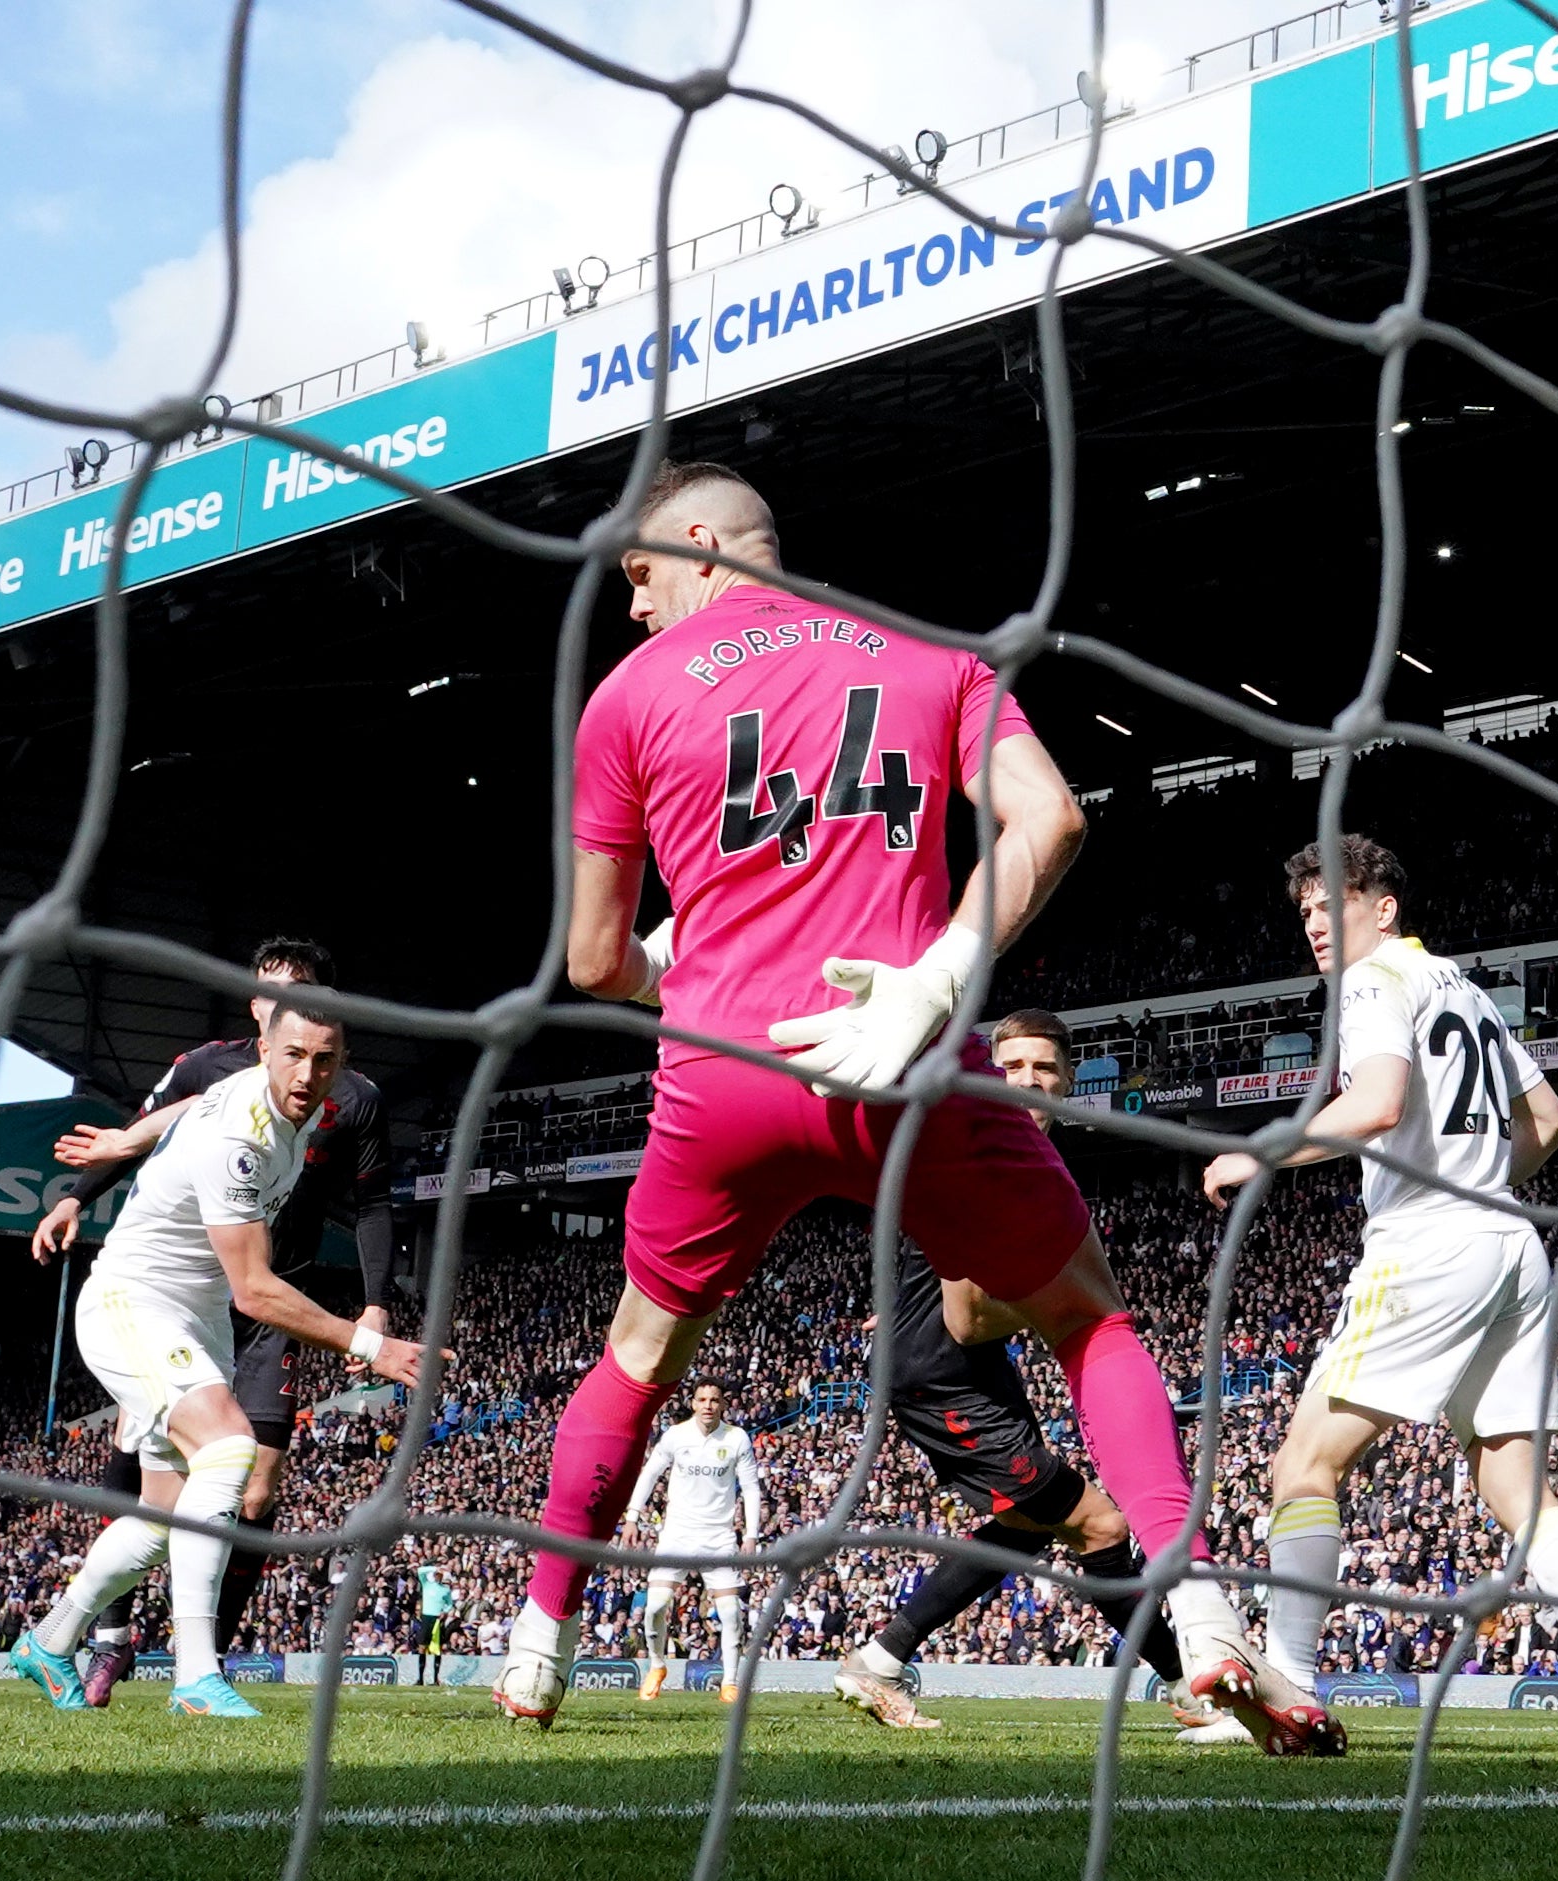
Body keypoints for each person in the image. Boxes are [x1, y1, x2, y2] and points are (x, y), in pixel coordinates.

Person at [495, 459, 1314, 1752]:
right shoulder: (928, 655)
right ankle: (1201, 1609)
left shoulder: (624, 699)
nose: (634, 608)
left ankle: (540, 1643)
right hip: (909, 1049)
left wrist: (678, 966)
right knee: (1085, 1318)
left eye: (639, 576)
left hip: (721, 1076)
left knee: (640, 1357)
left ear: (702, 548)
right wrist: (931, 980)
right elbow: (1048, 820)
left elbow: (594, 961)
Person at [1201, 835, 1558, 1753]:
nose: (1318, 925)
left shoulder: (1373, 983)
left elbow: (1375, 1105)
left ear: (1384, 907)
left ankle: (1290, 1690)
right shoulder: (1466, 989)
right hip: (1512, 1247)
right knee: (1518, 1488)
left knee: (1303, 1466)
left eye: (1333, 904)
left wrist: (1259, 1154)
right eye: (1307, 913)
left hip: (1429, 1249)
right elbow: (1552, 1120)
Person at [8, 1000, 436, 1719]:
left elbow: (184, 1110)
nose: (307, 1073)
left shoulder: (272, 1107)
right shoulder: (244, 1135)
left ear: (343, 1065)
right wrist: (372, 1343)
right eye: (293, 1055)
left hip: (196, 1317)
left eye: (324, 1060)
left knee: (163, 1519)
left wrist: (124, 1141)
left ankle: (49, 1643)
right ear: (264, 1049)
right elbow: (258, 1291)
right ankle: (196, 1679)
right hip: (134, 1303)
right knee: (232, 1446)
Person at [829, 1007, 1230, 1741]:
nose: (1030, 1081)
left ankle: (883, 1658)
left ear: (1070, 1081)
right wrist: (1072, 1310)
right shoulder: (978, 1154)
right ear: (988, 1075)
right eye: (1012, 1066)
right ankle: (880, 1658)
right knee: (1091, 1521)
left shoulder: (1018, 1157)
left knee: (1071, 1527)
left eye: (1045, 1068)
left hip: (966, 1368)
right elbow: (969, 1318)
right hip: (940, 1372)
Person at [623, 1378, 761, 1703]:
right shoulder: (676, 1436)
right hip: (677, 1534)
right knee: (655, 1606)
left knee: (730, 1613)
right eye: (702, 1399)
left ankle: (730, 1682)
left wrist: (751, 1534)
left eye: (714, 1399)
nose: (708, 1405)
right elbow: (650, 1473)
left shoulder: (737, 1438)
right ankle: (656, 1666)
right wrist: (632, 1517)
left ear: (723, 1404)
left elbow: (751, 1488)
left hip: (719, 1538)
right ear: (693, 1403)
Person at [415, 1559, 455, 1685]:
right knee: (422, 1647)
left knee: (437, 1649)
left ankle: (435, 1678)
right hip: (427, 1618)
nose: (438, 1576)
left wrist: (445, 1611)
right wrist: (434, 1568)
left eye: (440, 1574)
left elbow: (449, 1604)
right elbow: (420, 1571)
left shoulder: (445, 1590)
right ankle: (420, 1678)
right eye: (436, 1574)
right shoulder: (427, 1584)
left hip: (437, 1619)